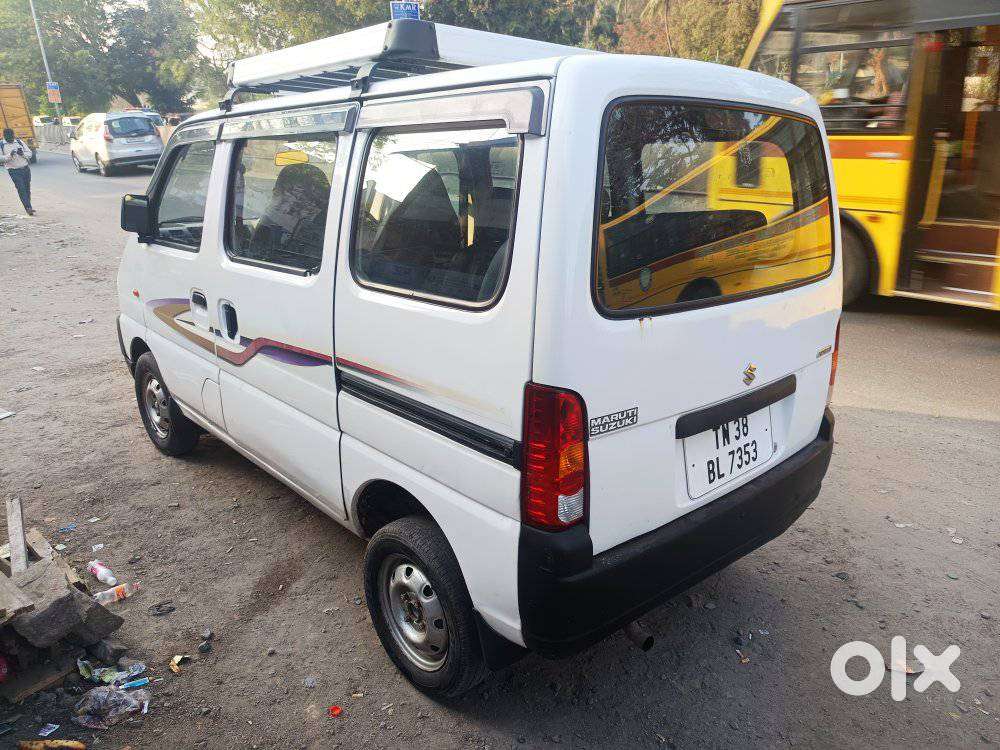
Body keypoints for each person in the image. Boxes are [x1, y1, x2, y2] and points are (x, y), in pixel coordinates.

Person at [0, 128, 35, 215]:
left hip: (25, 168)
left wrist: (22, 154)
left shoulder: (19, 142)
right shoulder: (1, 145)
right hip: (13, 170)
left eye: (12, 136)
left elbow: (30, 153)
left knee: (27, 189)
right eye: (8, 137)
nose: (11, 139)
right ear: (4, 137)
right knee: (21, 189)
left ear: (13, 135)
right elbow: (1, 158)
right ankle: (28, 208)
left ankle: (28, 205)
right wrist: (10, 155)